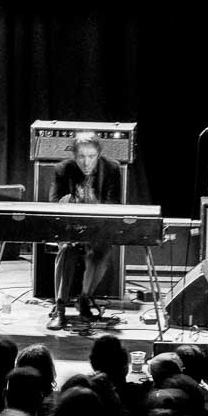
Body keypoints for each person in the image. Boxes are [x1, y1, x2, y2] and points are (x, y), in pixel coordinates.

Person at [46, 132, 122, 329]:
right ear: (74, 155)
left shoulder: (112, 169)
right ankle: (59, 308)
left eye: (91, 157)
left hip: (98, 228)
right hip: (71, 228)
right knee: (66, 251)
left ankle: (84, 299)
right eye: (81, 157)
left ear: (99, 155)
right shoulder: (63, 169)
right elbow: (54, 203)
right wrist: (72, 202)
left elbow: (114, 205)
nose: (86, 162)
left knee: (101, 253)